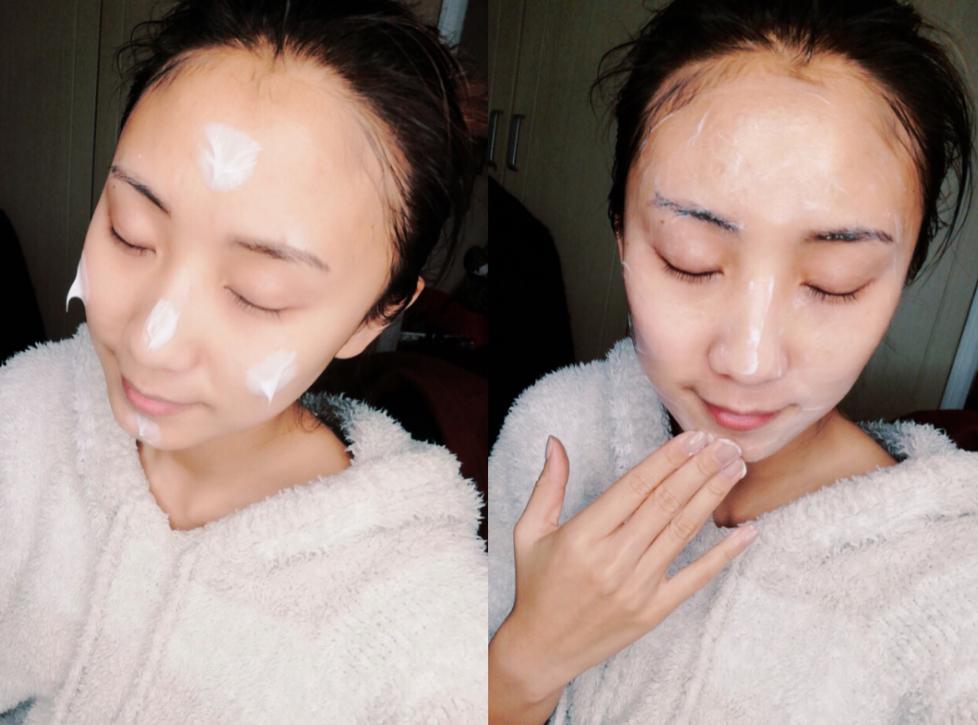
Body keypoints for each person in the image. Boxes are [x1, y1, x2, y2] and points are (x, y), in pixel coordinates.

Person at [488, 0, 978, 722]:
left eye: (834, 281)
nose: (749, 363)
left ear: (902, 273)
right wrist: (525, 662)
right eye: (690, 261)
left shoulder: (953, 583)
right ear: (621, 232)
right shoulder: (554, 434)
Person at [0, 1, 486, 721]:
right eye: (131, 233)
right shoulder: (23, 417)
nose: (152, 341)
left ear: (374, 316)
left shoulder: (427, 624)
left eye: (259, 293)